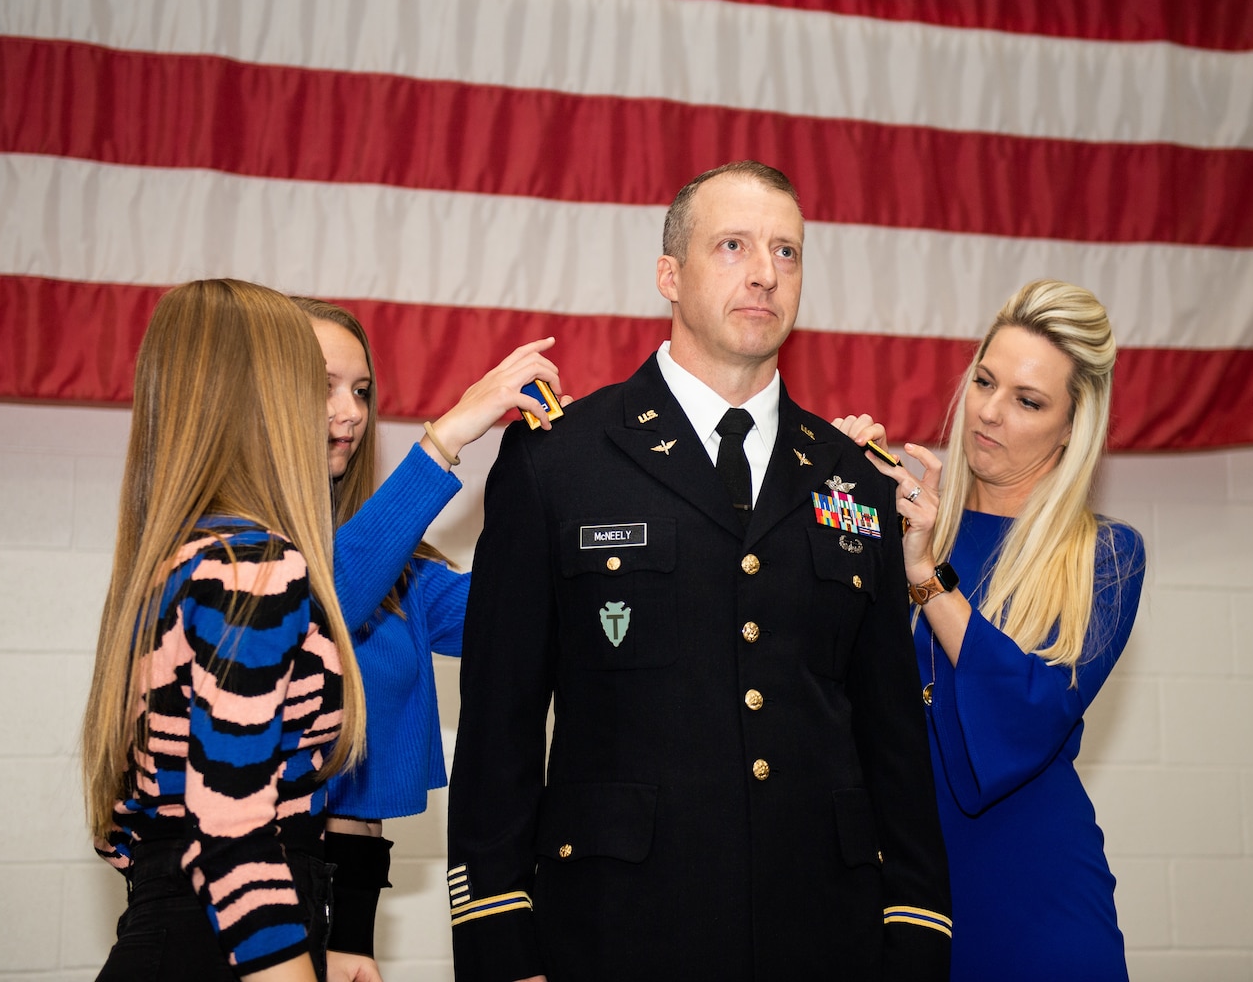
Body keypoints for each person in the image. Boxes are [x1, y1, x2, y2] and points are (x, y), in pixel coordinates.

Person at [446, 161, 953, 982]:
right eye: (733, 245)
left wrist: (918, 928)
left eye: (786, 253)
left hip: (824, 934)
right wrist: (502, 946)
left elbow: (889, 731)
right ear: (669, 277)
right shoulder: (560, 459)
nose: (764, 272)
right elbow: (499, 727)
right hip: (617, 931)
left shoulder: (852, 476)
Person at [834, 279, 1145, 981]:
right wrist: (830, 503)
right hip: (893, 906)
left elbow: (1019, 722)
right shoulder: (897, 522)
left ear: (1072, 425)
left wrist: (928, 579)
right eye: (984, 382)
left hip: (1032, 909)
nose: (990, 413)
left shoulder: (1104, 558)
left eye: (1028, 401)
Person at [83, 278, 362, 982]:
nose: (336, 412)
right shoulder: (253, 566)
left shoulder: (180, 558)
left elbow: (131, 831)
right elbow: (231, 829)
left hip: (171, 926)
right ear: (260, 397)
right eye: (308, 381)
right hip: (235, 950)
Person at [287, 298, 564, 982]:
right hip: (227, 920)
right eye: (322, 387)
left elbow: (523, 613)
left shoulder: (397, 577)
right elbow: (322, 600)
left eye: (360, 390)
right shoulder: (234, 551)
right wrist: (444, 441)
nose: (349, 412)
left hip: (321, 919)